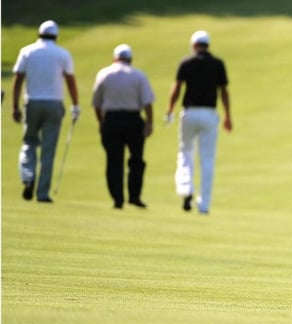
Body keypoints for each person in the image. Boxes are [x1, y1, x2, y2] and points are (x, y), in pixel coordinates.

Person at [11, 20, 80, 203]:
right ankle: (42, 193)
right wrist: (75, 106)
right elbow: (71, 82)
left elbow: (18, 79)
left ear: (39, 34)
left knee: (29, 143)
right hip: (54, 105)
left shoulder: (27, 51)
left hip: (32, 103)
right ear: (56, 36)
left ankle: (28, 177)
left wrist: (15, 106)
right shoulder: (62, 54)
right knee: (48, 150)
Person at [166, 30, 232, 215]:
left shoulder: (186, 62)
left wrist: (170, 109)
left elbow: (177, 88)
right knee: (207, 159)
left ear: (194, 45)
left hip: (189, 113)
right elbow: (223, 92)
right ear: (207, 45)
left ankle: (186, 189)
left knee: (186, 152)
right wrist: (227, 116)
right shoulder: (218, 64)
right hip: (209, 114)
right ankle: (203, 205)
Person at [92, 44, 155, 209]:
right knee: (136, 160)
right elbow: (147, 102)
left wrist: (101, 122)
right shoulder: (139, 75)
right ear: (130, 59)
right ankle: (134, 196)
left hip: (111, 120)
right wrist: (149, 122)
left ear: (114, 58)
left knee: (114, 161)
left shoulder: (104, 74)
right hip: (133, 120)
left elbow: (97, 104)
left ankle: (117, 199)